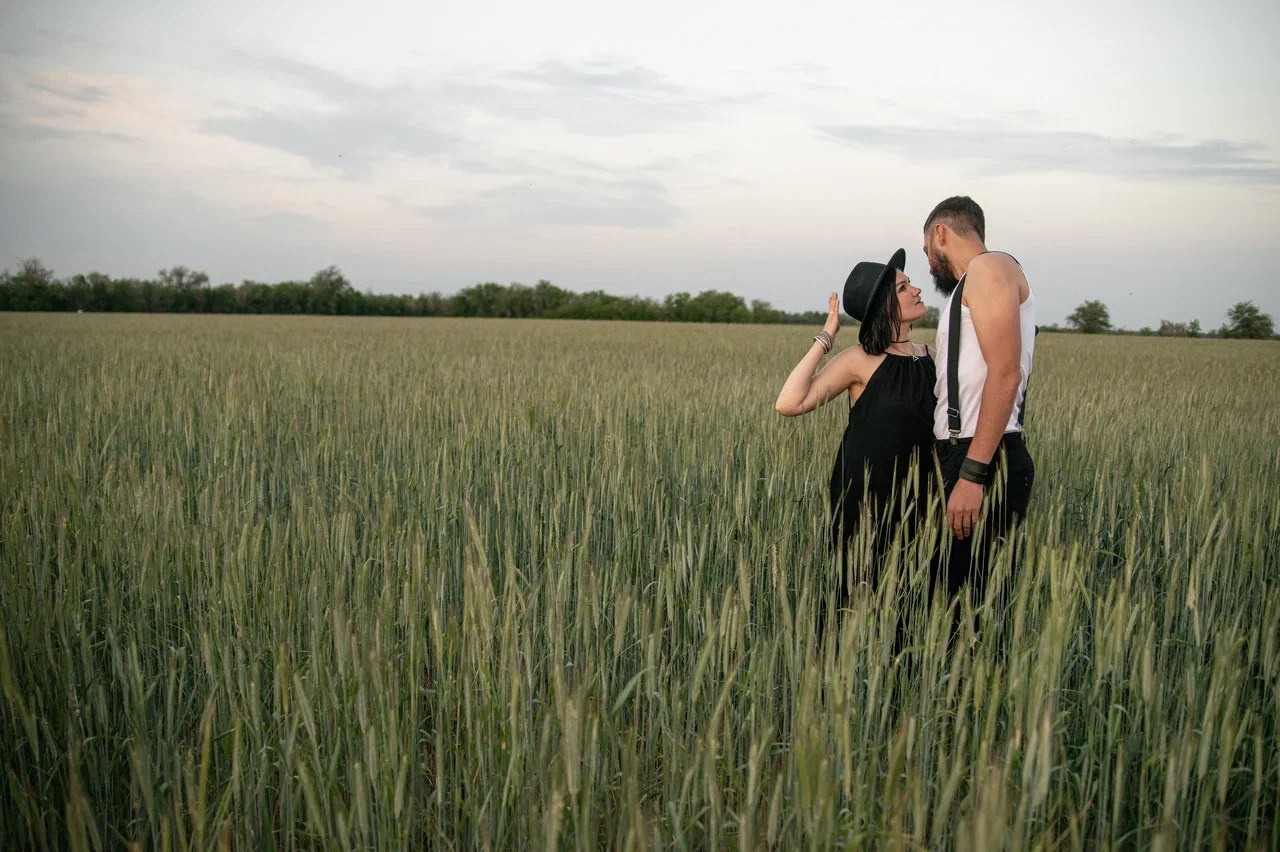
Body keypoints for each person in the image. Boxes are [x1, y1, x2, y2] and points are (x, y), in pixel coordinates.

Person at [774, 249, 935, 639]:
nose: (915, 289)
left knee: (913, 600)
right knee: (855, 594)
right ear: (885, 304)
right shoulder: (858, 360)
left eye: (910, 282)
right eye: (903, 286)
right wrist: (826, 337)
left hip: (922, 496)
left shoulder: (933, 356)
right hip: (864, 498)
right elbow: (788, 403)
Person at [922, 196, 1035, 606]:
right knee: (958, 600)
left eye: (926, 252)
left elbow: (1005, 373)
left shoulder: (989, 268)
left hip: (983, 455)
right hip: (976, 452)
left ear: (940, 234)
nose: (929, 264)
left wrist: (972, 474)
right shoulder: (977, 282)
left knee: (971, 605)